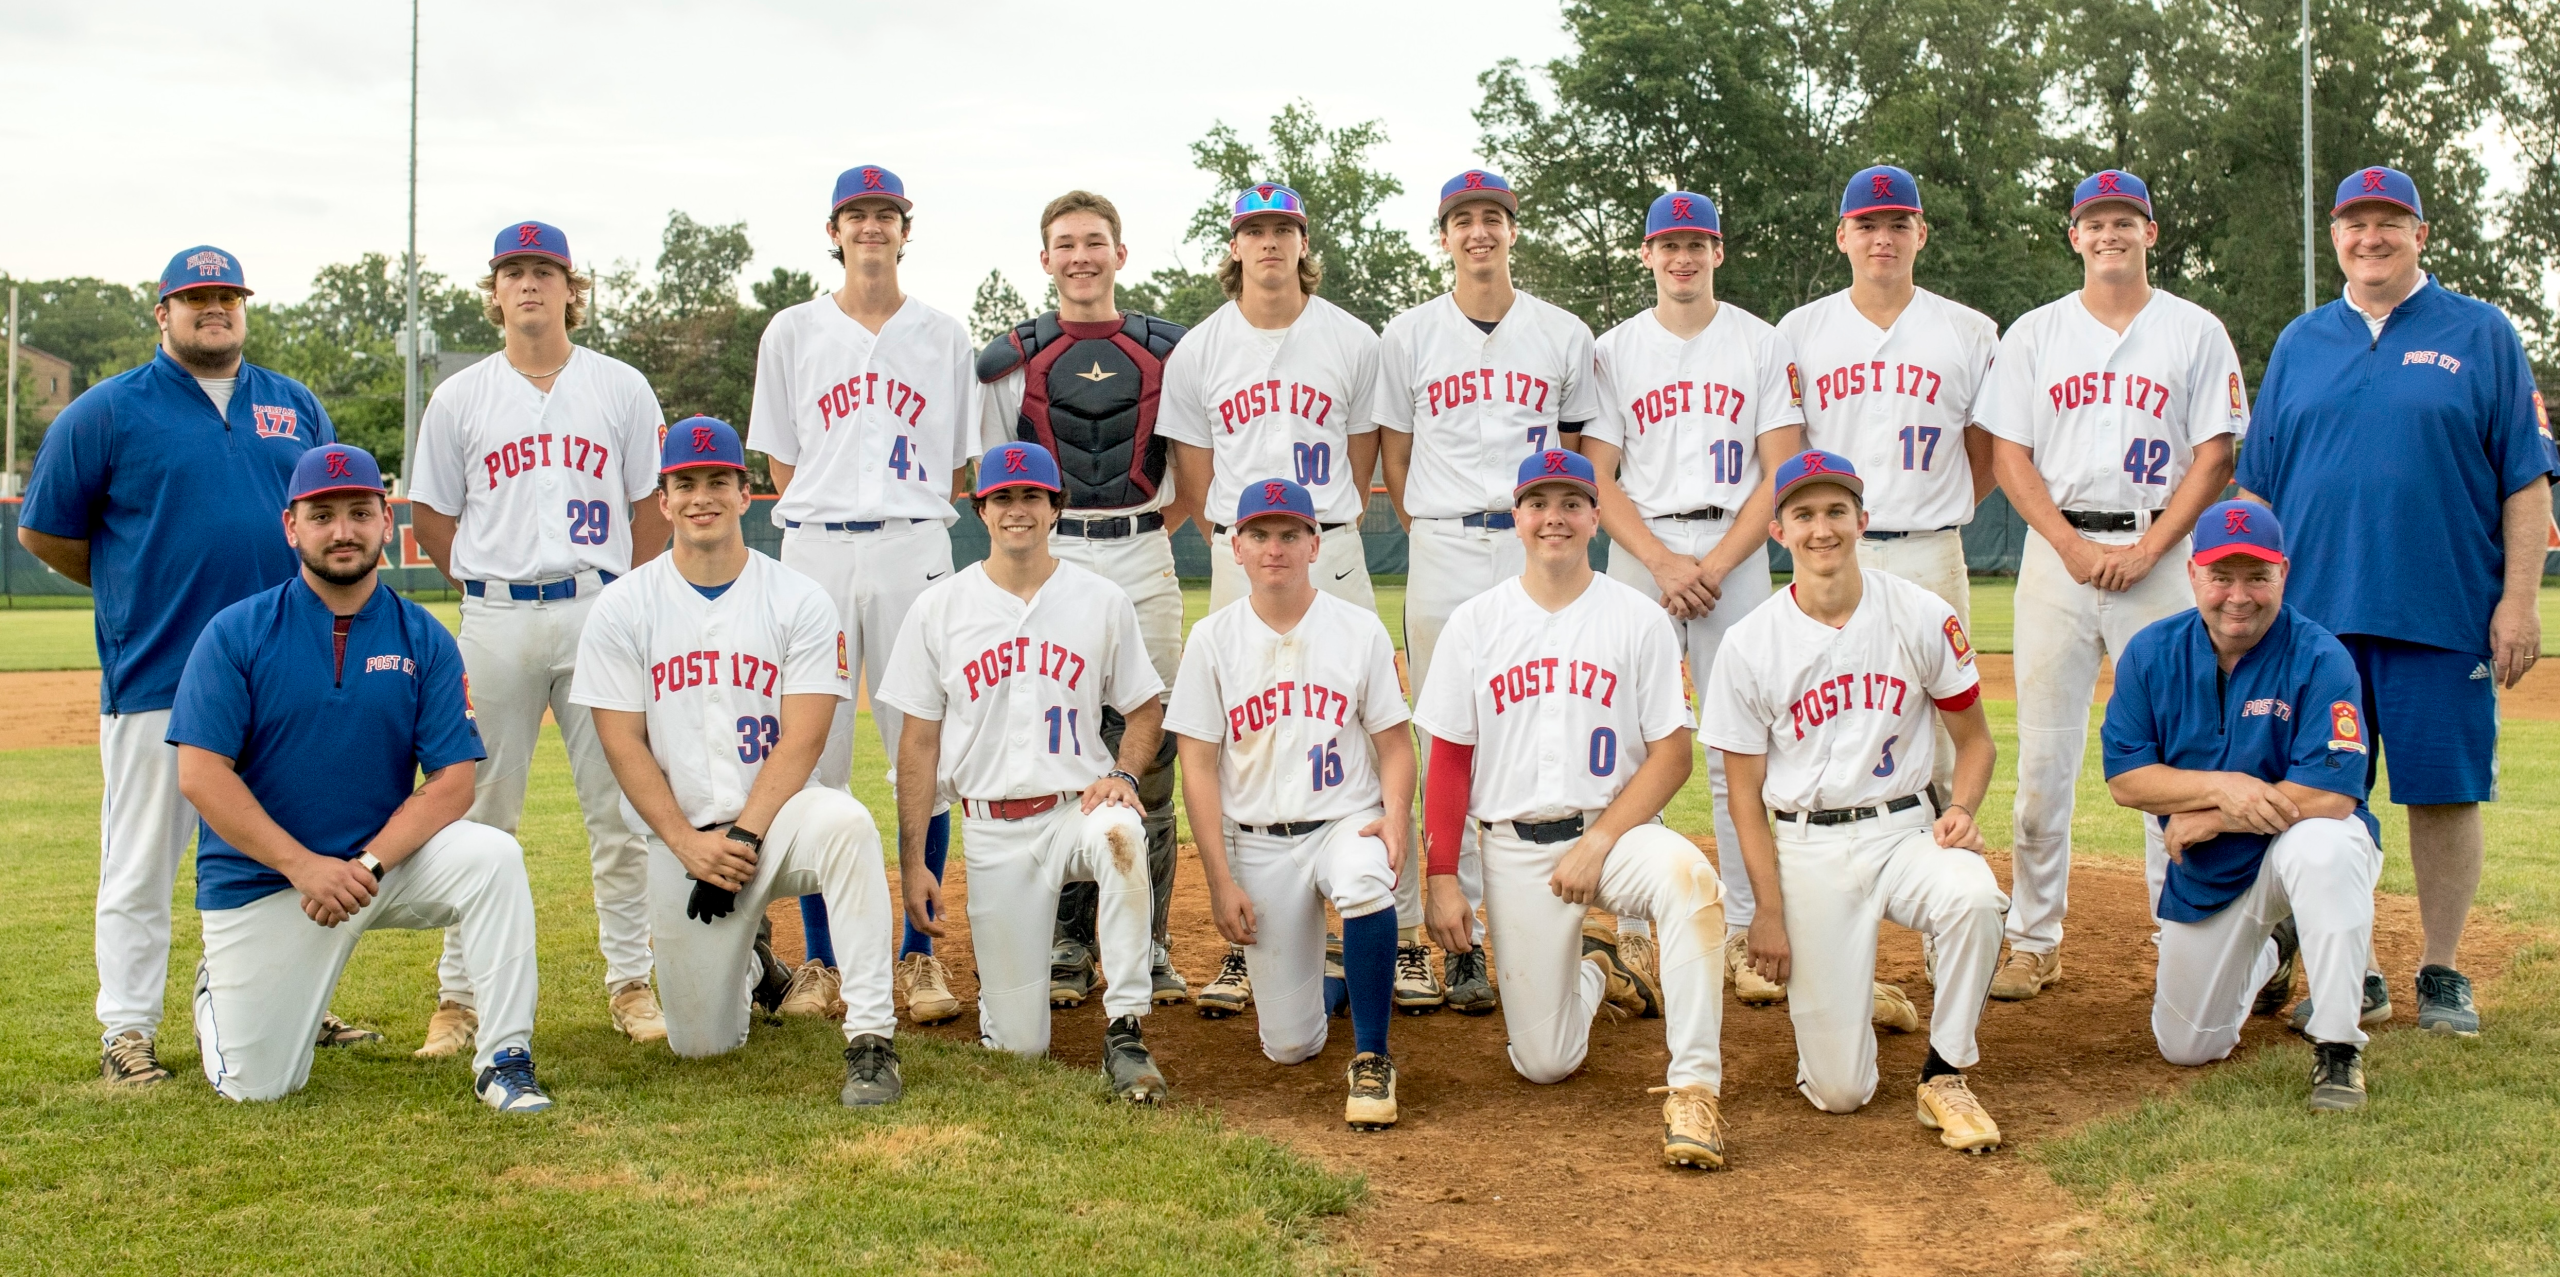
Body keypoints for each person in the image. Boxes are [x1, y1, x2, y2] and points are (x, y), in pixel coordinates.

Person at [2237, 165, 2560, 1037]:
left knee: (2445, 793)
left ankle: (2443, 968)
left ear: (2421, 233)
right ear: (2335, 235)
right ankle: (2362, 971)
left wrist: (2519, 604)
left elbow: (2526, 484)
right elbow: (2259, 492)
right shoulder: (2302, 341)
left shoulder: (2481, 332)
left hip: (2441, 609)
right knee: (2328, 796)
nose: (2369, 237)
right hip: (2315, 625)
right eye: (2354, 222)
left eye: (2389, 221)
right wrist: (2251, 609)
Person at [17, 245, 346, 1085]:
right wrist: (128, 578)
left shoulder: (293, 403)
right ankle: (125, 1028)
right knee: (140, 858)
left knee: (283, 849)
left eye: (227, 295)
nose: (215, 308)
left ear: (244, 308)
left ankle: (284, 996)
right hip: (160, 670)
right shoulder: (105, 411)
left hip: (277, 675)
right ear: (162, 312)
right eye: (196, 297)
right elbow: (45, 530)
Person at [171, 443, 550, 1112]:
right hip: (266, 882)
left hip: (379, 868)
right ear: (292, 526)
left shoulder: (422, 636)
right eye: (322, 514)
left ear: (386, 522)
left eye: (358, 511)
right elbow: (201, 775)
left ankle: (505, 1059)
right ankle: (217, 994)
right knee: (258, 1088)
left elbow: (455, 782)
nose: (342, 530)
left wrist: (367, 865)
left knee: (495, 856)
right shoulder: (235, 633)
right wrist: (304, 866)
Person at [570, 416, 904, 1105]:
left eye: (717, 480)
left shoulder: (798, 597)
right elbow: (621, 743)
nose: (702, 497)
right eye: (684, 483)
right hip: (683, 837)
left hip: (779, 823)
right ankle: (753, 966)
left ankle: (871, 1038)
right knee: (702, 1047)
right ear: (662, 499)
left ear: (744, 492)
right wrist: (689, 844)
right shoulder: (623, 606)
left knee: (847, 824)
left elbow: (805, 736)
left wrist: (746, 834)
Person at [1413, 448, 1731, 1169]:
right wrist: (1441, 876)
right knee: (1544, 1061)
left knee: (1689, 880)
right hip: (1515, 847)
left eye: (1570, 503)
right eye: (1538, 503)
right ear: (1517, 517)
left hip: (1615, 836)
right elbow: (1450, 761)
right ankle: (1599, 969)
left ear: (1595, 516)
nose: (1553, 517)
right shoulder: (1475, 623)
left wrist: (1603, 838)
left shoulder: (1638, 620)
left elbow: (1673, 755)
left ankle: (1695, 1087)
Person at [1980, 169, 2247, 1002]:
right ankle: (2033, 936)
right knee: (2045, 762)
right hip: (2057, 556)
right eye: (2095, 222)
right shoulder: (2035, 333)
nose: (2109, 234)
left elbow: (2217, 455)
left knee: (2172, 754)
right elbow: (2007, 454)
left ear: (2150, 233)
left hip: (2161, 555)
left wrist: (2155, 545)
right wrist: (2063, 542)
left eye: (2124, 221)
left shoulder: (2196, 331)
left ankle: (2181, 932)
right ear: (2074, 236)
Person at [409, 219, 672, 1056]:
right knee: (481, 811)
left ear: (571, 288)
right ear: (494, 292)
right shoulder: (461, 395)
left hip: (600, 604)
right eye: (513, 272)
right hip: (495, 614)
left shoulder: (621, 387)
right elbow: (431, 517)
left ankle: (631, 980)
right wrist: (486, 583)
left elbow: (646, 507)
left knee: (621, 808)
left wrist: (626, 598)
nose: (528, 284)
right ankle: (459, 995)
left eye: (544, 271)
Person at [1700, 449, 2007, 1154]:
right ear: (1779, 531)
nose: (1821, 528)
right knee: (1839, 1093)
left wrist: (1961, 805)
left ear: (1862, 520)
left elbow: (1976, 742)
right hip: (1808, 846)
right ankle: (1851, 983)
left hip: (1905, 828)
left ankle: (1946, 1070)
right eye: (1804, 514)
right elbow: (1743, 794)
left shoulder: (1922, 615)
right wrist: (1766, 912)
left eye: (1836, 510)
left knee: (1976, 898)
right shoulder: (1750, 644)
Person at [748, 164, 980, 1029]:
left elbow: (960, 464)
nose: (872, 227)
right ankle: (821, 958)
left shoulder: (942, 334)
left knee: (924, 746)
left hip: (914, 544)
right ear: (835, 230)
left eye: (887, 215)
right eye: (858, 215)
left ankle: (920, 956)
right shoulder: (792, 331)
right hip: (814, 549)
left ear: (905, 230)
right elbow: (777, 462)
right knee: (815, 754)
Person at [877, 442, 1173, 1104]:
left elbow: (1145, 709)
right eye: (1002, 497)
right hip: (991, 828)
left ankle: (1125, 1029)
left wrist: (1124, 774)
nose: (1017, 509)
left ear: (1055, 507)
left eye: (1031, 496)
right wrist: (913, 862)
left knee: (1124, 832)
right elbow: (918, 742)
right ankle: (1010, 1013)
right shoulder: (940, 608)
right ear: (980, 508)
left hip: (1078, 807)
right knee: (1019, 1048)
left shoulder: (1099, 600)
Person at [1378, 168, 1602, 1016]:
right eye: (1462, 220)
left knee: (1547, 719)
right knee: (1451, 737)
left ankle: (1555, 922)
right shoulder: (1408, 336)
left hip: (1534, 543)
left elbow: (1575, 452)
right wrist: (1428, 519)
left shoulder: (1563, 333)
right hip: (1442, 542)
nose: (1478, 232)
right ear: (1443, 236)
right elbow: (1396, 457)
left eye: (1492, 219)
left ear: (1514, 230)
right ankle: (1458, 936)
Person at [1160, 182, 1386, 1017]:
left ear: (1301, 242)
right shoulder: (1201, 350)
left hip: (1327, 536)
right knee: (1241, 724)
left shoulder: (1351, 339)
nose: (1267, 243)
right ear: (1234, 248)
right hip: (1238, 544)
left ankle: (1366, 910)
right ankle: (1246, 934)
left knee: (1356, 711)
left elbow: (1361, 458)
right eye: (1251, 230)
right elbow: (1195, 472)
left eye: (1281, 228)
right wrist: (1245, 540)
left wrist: (1319, 530)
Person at [1584, 189, 1811, 1011]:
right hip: (1641, 552)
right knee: (1622, 742)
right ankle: (1628, 925)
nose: (1682, 256)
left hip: (1735, 553)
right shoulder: (1613, 350)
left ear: (1719, 251)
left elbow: (1780, 471)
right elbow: (1597, 477)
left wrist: (1709, 562)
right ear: (1646, 255)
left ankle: (1750, 926)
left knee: (1738, 747)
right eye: (1667, 243)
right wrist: (1659, 560)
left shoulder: (1761, 340)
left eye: (1697, 242)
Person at [977, 191, 1192, 1011]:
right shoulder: (1012, 357)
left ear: (1120, 253)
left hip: (1140, 545)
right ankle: (1067, 938)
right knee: (1061, 744)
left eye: (1094, 242)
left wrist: (1142, 530)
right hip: (1051, 551)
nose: (1080, 256)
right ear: (1045, 260)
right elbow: (1000, 470)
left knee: (1154, 748)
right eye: (1064, 244)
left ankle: (1154, 941)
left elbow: (1184, 463)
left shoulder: (1168, 351)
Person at [2101, 501, 2384, 1110]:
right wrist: (2222, 788)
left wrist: (2213, 814)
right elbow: (2127, 779)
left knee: (2326, 849)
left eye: (2257, 576)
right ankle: (2277, 946)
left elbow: (2331, 792)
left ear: (2283, 573)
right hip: (2214, 870)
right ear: (2194, 575)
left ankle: (2338, 1048)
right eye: (2221, 576)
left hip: (2296, 842)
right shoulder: (2151, 653)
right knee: (2186, 1045)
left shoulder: (2321, 655)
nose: (2239, 595)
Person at [1166, 478, 1415, 1127]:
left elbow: (1394, 742)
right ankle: (1337, 984)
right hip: (1258, 839)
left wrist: (1393, 816)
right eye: (1259, 535)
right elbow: (1196, 765)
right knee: (1290, 1045)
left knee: (1364, 882)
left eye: (1288, 534)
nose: (1273, 547)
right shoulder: (1212, 639)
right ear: (1236, 548)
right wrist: (1220, 880)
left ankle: (1372, 1054)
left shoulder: (1358, 629)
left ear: (1314, 545)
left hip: (1343, 819)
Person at [1778, 165, 2001, 815]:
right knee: (1827, 705)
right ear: (1842, 236)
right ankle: (1833, 877)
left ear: (1921, 233)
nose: (1884, 238)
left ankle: (1939, 877)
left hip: (1930, 548)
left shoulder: (1969, 331)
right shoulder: (1799, 331)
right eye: (1868, 225)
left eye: (1898, 224)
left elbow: (1984, 452)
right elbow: (1787, 448)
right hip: (1829, 552)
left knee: (1938, 713)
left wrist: (1937, 505)